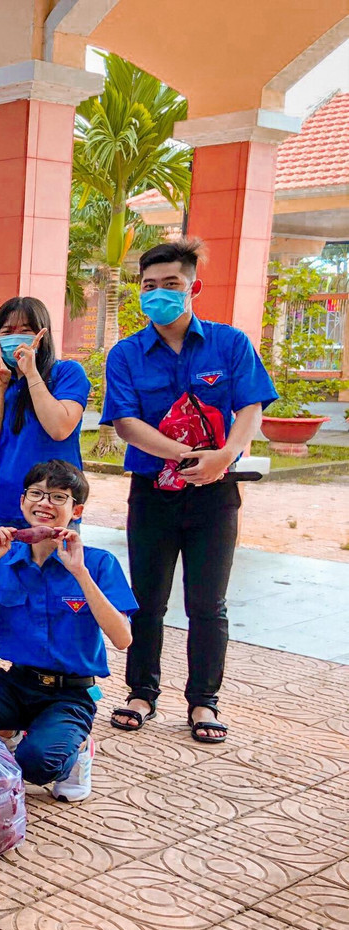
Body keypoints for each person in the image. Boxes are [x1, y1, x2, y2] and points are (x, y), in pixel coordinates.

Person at [101, 238, 276, 744]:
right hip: (153, 491)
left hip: (215, 496)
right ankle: (141, 692)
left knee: (207, 603)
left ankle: (204, 701)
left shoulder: (229, 343)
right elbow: (127, 424)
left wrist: (226, 455)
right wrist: (183, 456)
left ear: (192, 286)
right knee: (147, 599)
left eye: (171, 285)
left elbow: (250, 406)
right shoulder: (127, 354)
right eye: (149, 286)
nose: (159, 295)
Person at [0, 461, 136, 798]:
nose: (45, 503)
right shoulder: (3, 557)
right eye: (36, 494)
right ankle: (11, 728)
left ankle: (76, 752)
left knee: (36, 764)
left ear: (76, 510)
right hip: (17, 683)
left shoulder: (98, 562)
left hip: (70, 693)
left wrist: (80, 574)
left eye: (58, 497)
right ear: (22, 502)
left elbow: (123, 638)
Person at [0, 297, 90, 528]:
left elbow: (59, 428)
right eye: (7, 331)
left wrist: (32, 374)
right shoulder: (0, 382)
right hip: (10, 503)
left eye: (26, 330)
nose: (15, 338)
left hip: (56, 507)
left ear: (42, 335)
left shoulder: (67, 373)